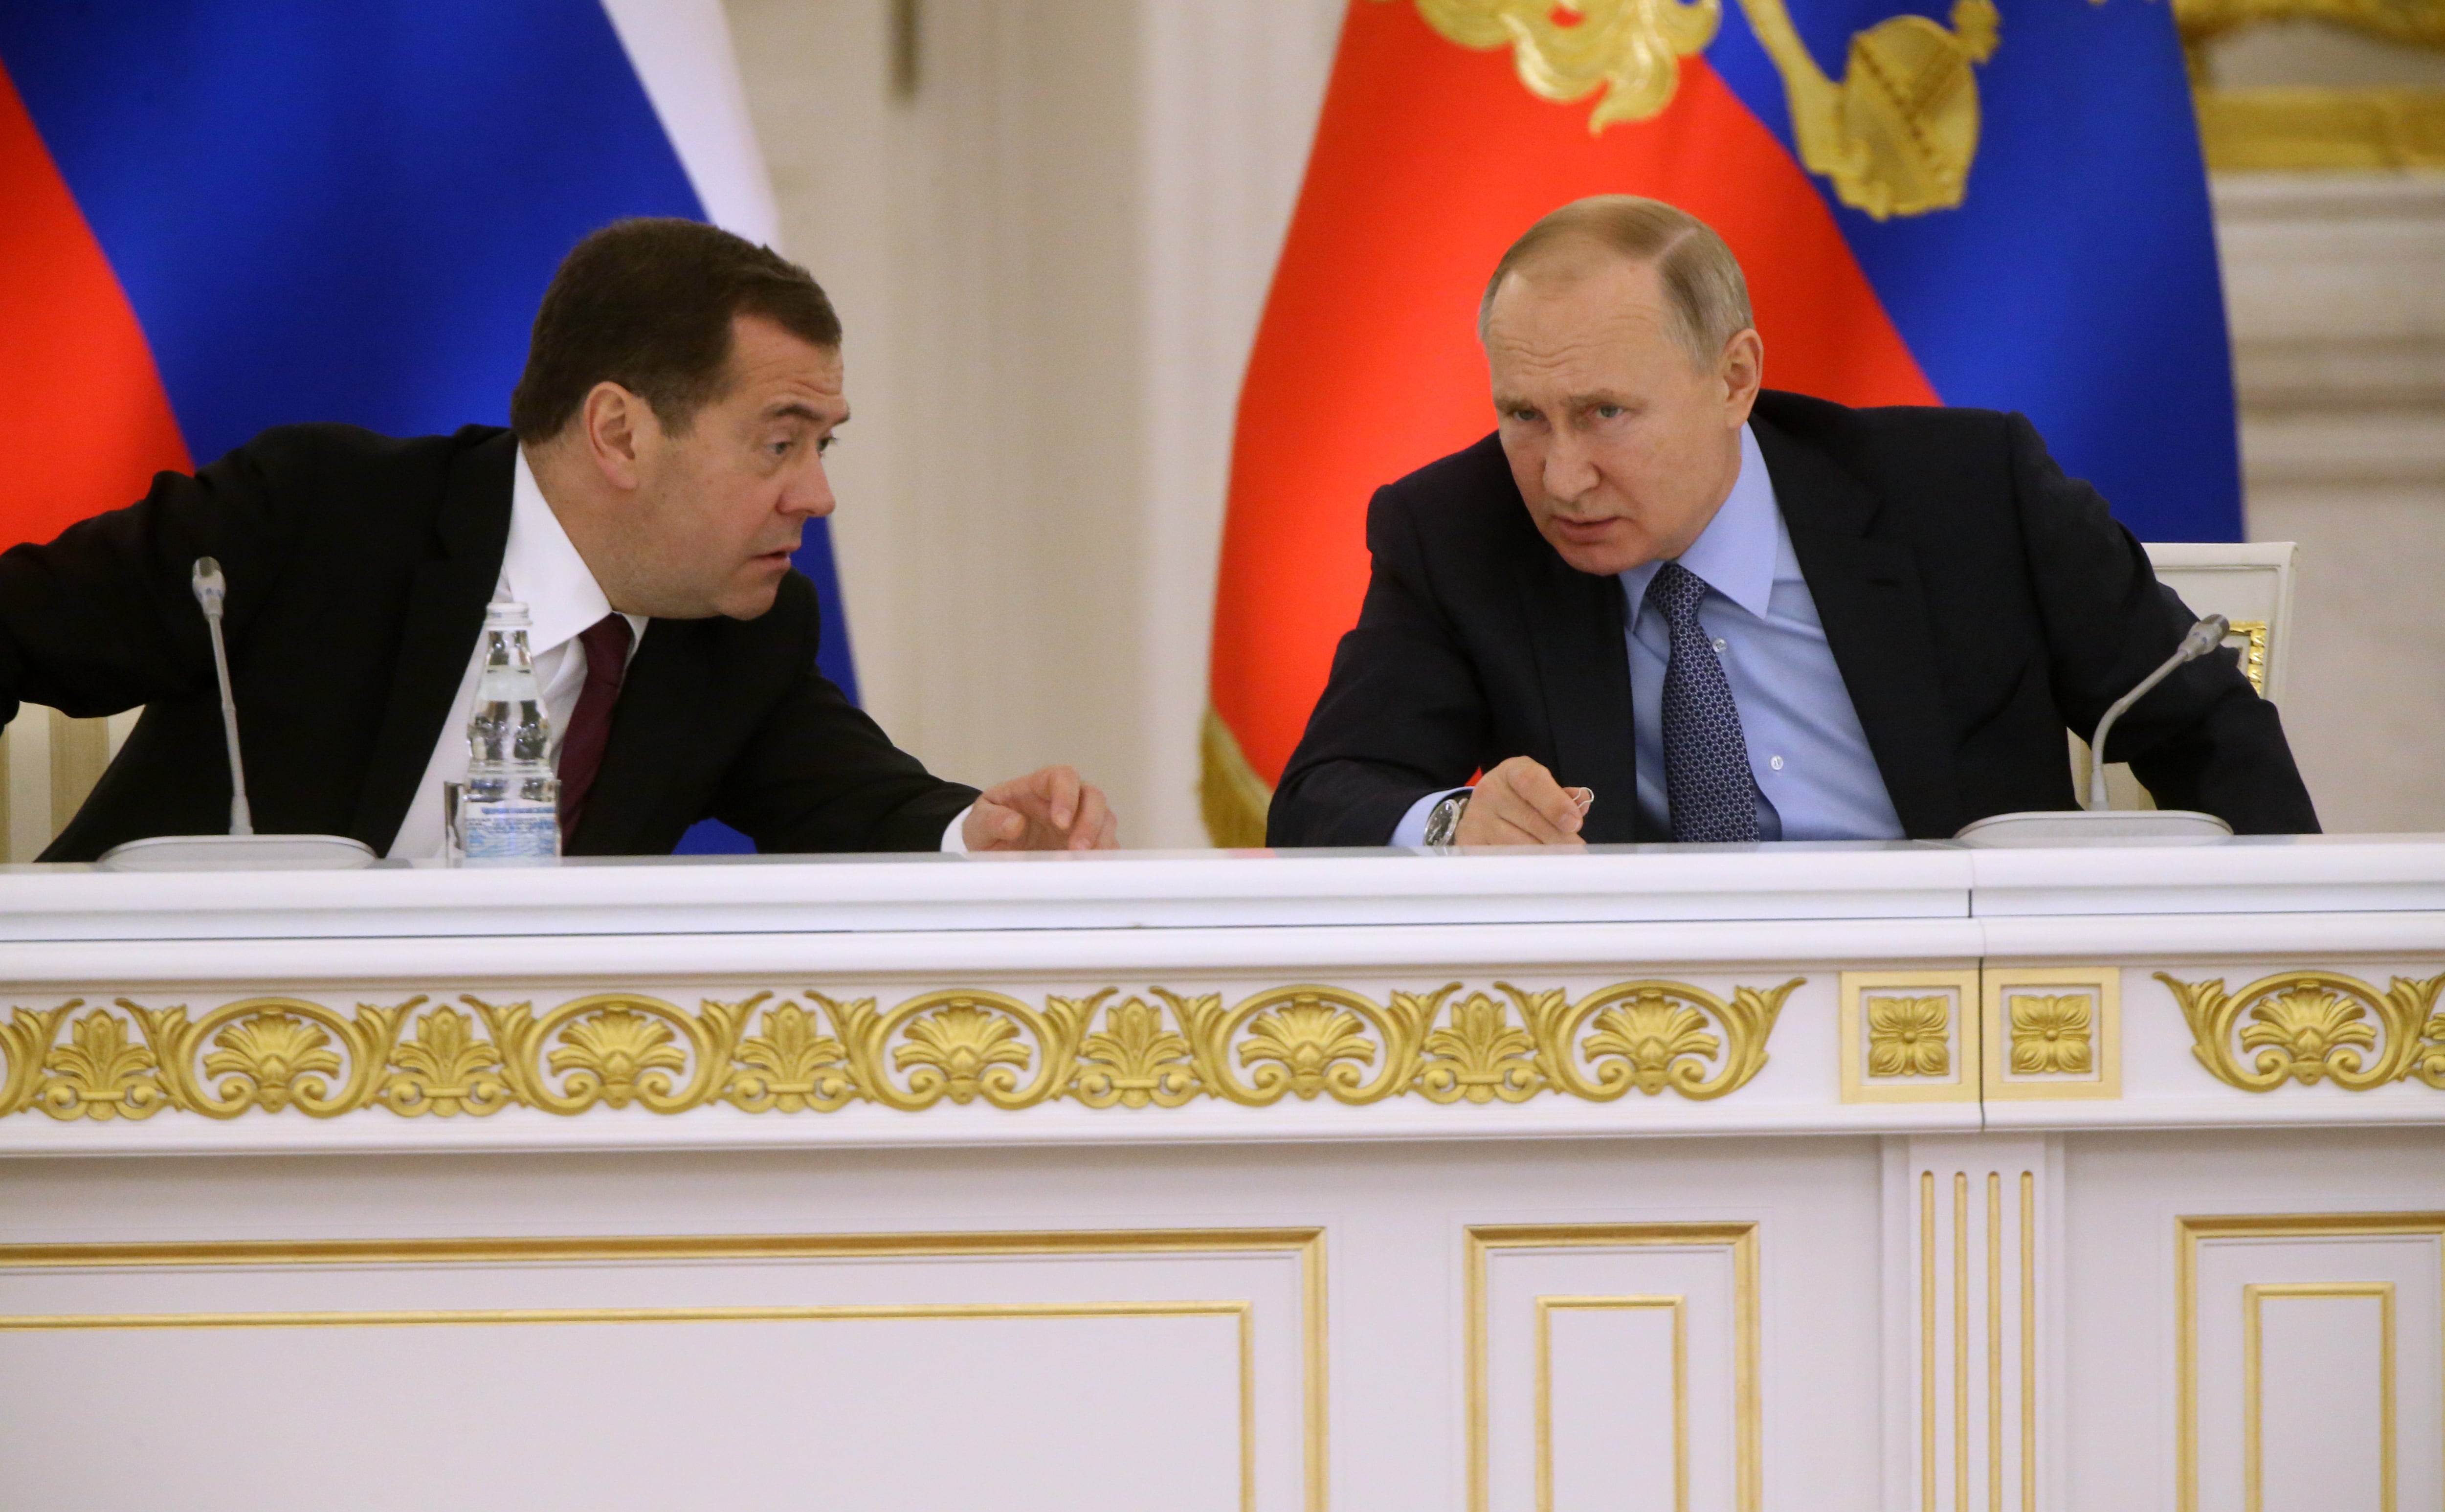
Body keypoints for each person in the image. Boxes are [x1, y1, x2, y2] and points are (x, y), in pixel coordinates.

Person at [0, 219, 1117, 861]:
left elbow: (866, 807)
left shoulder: (735, 630)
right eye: (781, 444)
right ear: (620, 432)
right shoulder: (321, 514)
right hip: (145, 1084)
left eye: (825, 446)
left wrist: (987, 836)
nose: (816, 497)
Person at [1267, 195, 2317, 848]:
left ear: (1733, 379)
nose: (1562, 474)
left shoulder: (1964, 492)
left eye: (1605, 415)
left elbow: (2209, 730)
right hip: (1640, 1048)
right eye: (1522, 418)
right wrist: (1456, 826)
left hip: (1972, 1014)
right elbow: (1321, 796)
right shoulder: (1456, 530)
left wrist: (2278, 984)